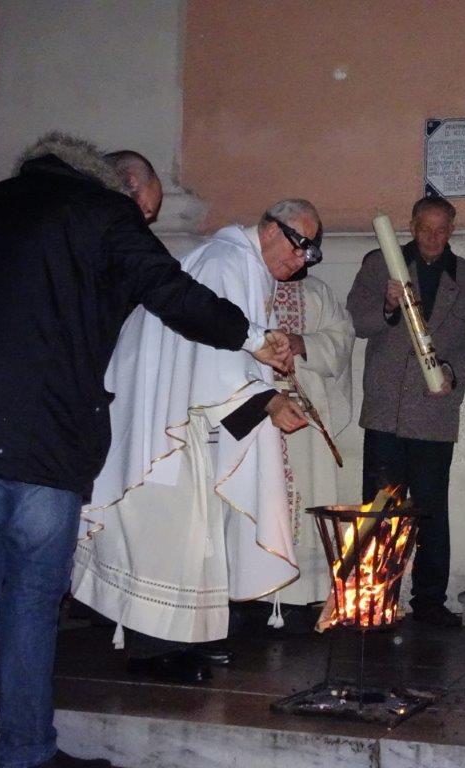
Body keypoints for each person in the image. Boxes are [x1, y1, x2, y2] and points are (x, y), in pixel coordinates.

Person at [0, 132, 291, 768]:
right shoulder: (102, 211)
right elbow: (171, 290)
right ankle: (25, 749)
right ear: (127, 185)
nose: (147, 219)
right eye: (147, 207)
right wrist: (252, 336)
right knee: (34, 592)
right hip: (43, 430)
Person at [71, 201, 321, 683]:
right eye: (299, 245)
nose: (300, 260)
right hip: (163, 423)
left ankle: (187, 641)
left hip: (186, 418)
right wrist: (267, 401)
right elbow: (212, 351)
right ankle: (153, 651)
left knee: (195, 539)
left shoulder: (245, 267)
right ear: (270, 228)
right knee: (165, 537)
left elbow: (231, 352)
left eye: (310, 253)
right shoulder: (224, 262)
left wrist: (267, 383)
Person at [346, 196, 465, 627]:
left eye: (442, 229)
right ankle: (373, 598)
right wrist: (387, 306)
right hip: (386, 412)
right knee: (379, 509)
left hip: (434, 411)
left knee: (431, 510)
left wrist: (453, 372)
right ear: (412, 226)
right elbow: (357, 321)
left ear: (452, 229)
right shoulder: (379, 264)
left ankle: (430, 601)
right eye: (425, 228)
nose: (433, 237)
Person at [270, 267, 355, 612]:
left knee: (308, 489)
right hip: (257, 411)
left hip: (305, 409)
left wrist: (303, 343)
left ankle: (303, 593)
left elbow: (343, 338)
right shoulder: (246, 284)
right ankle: (252, 594)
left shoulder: (317, 292)